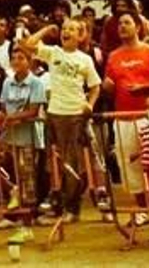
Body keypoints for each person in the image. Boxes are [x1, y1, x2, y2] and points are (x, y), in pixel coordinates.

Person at [103, 12, 149, 234]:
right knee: (128, 166)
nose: (122, 27)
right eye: (119, 24)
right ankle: (142, 209)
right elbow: (110, 84)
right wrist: (107, 87)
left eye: (127, 23)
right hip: (122, 117)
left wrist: (145, 89)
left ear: (138, 27)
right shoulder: (113, 56)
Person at [29, 18, 102, 223]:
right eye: (64, 29)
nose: (66, 32)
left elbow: (95, 85)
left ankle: (72, 208)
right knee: (52, 163)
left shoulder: (85, 59)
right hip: (53, 114)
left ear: (81, 36)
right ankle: (55, 204)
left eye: (72, 29)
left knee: (72, 163)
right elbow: (28, 45)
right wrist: (45, 29)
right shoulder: (53, 53)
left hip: (75, 115)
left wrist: (90, 104)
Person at [0, 47, 46, 248]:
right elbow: (2, 106)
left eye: (21, 58)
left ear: (29, 60)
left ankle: (26, 227)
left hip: (28, 138)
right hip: (9, 137)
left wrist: (12, 117)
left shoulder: (36, 83)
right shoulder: (7, 82)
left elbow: (34, 110)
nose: (17, 61)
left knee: (28, 181)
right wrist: (2, 116)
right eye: (14, 58)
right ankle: (13, 191)